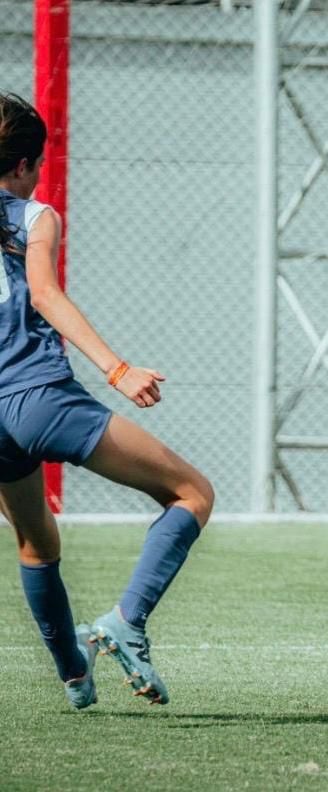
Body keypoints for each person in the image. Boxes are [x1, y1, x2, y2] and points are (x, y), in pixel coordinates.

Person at [0, 93, 214, 709]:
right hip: (37, 398)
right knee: (192, 493)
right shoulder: (35, 216)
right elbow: (43, 295)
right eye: (35, 163)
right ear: (21, 166)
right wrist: (117, 369)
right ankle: (126, 621)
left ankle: (73, 674)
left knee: (35, 542)